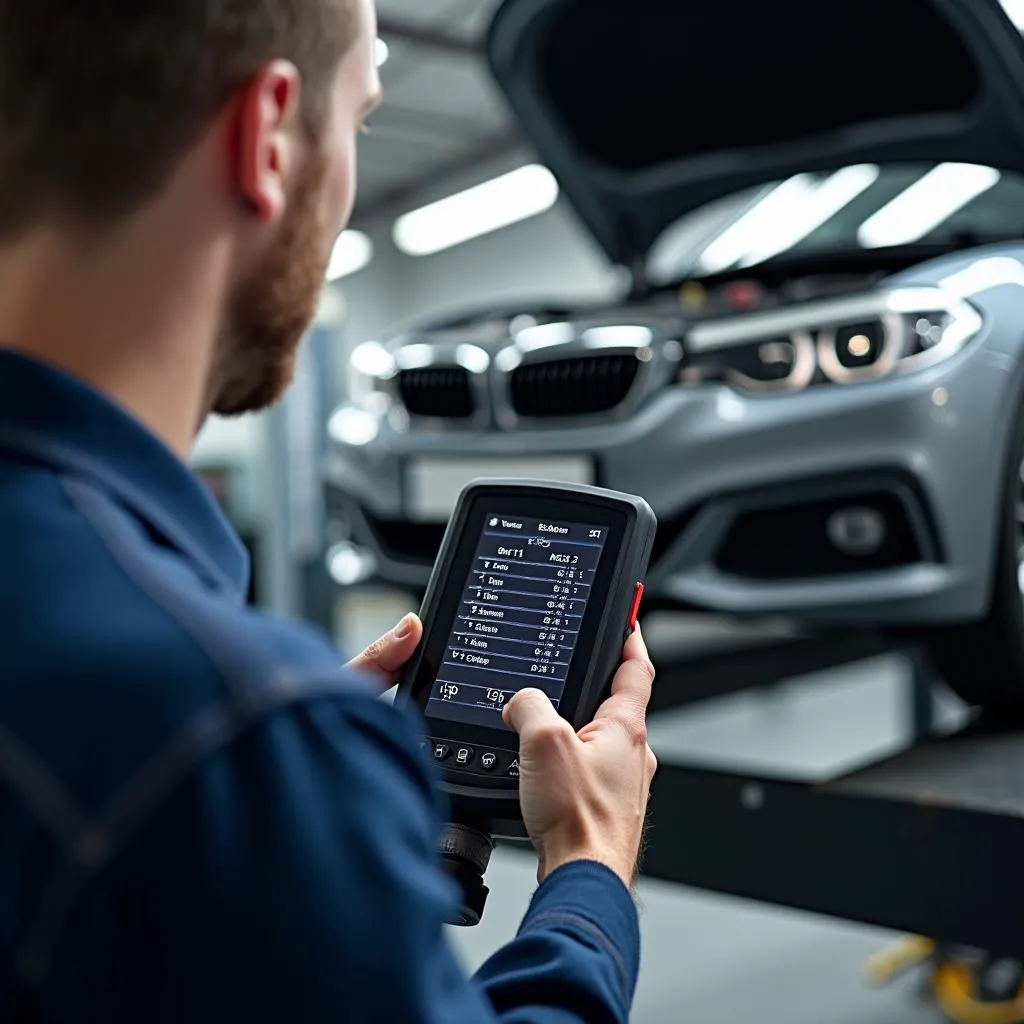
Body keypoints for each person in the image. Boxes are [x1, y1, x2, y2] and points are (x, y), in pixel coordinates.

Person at [0, 0, 659, 1020]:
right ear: (268, 136)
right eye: (357, 118)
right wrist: (589, 869)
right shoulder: (220, 739)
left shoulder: (224, 736)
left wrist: (294, 799)